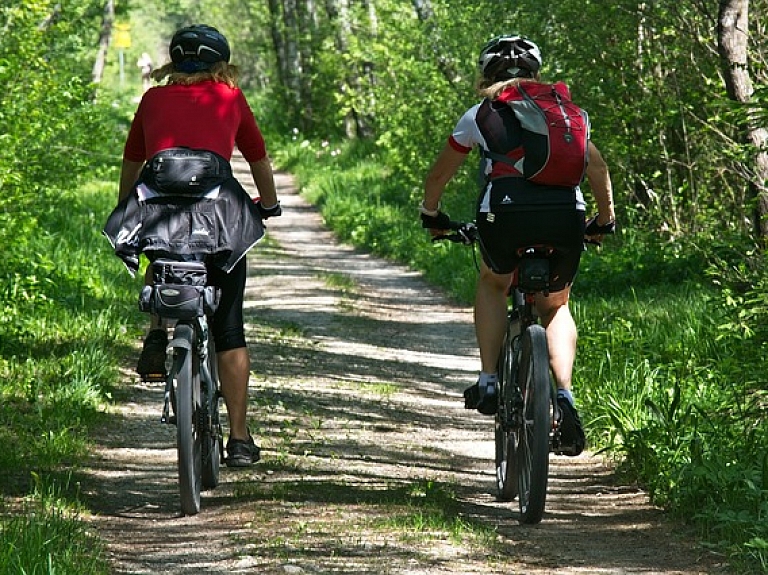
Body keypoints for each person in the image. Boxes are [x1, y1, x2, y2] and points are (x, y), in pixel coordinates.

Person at [420, 35, 615, 456]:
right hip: (566, 216)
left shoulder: (479, 114)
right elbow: (596, 166)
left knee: (493, 282)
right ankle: (564, 396)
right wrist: (605, 220)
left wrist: (431, 214)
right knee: (556, 305)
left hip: (504, 217)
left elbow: (439, 176)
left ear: (485, 75)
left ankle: (489, 380)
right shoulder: (566, 113)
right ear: (536, 73)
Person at [117, 25, 281, 467]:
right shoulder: (229, 97)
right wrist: (269, 205)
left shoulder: (152, 99)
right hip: (219, 217)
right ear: (220, 64)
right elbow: (257, 157)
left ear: (173, 62)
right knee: (229, 327)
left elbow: (134, 161)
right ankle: (240, 439)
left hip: (160, 211)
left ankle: (156, 330)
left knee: (159, 246)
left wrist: (125, 207)